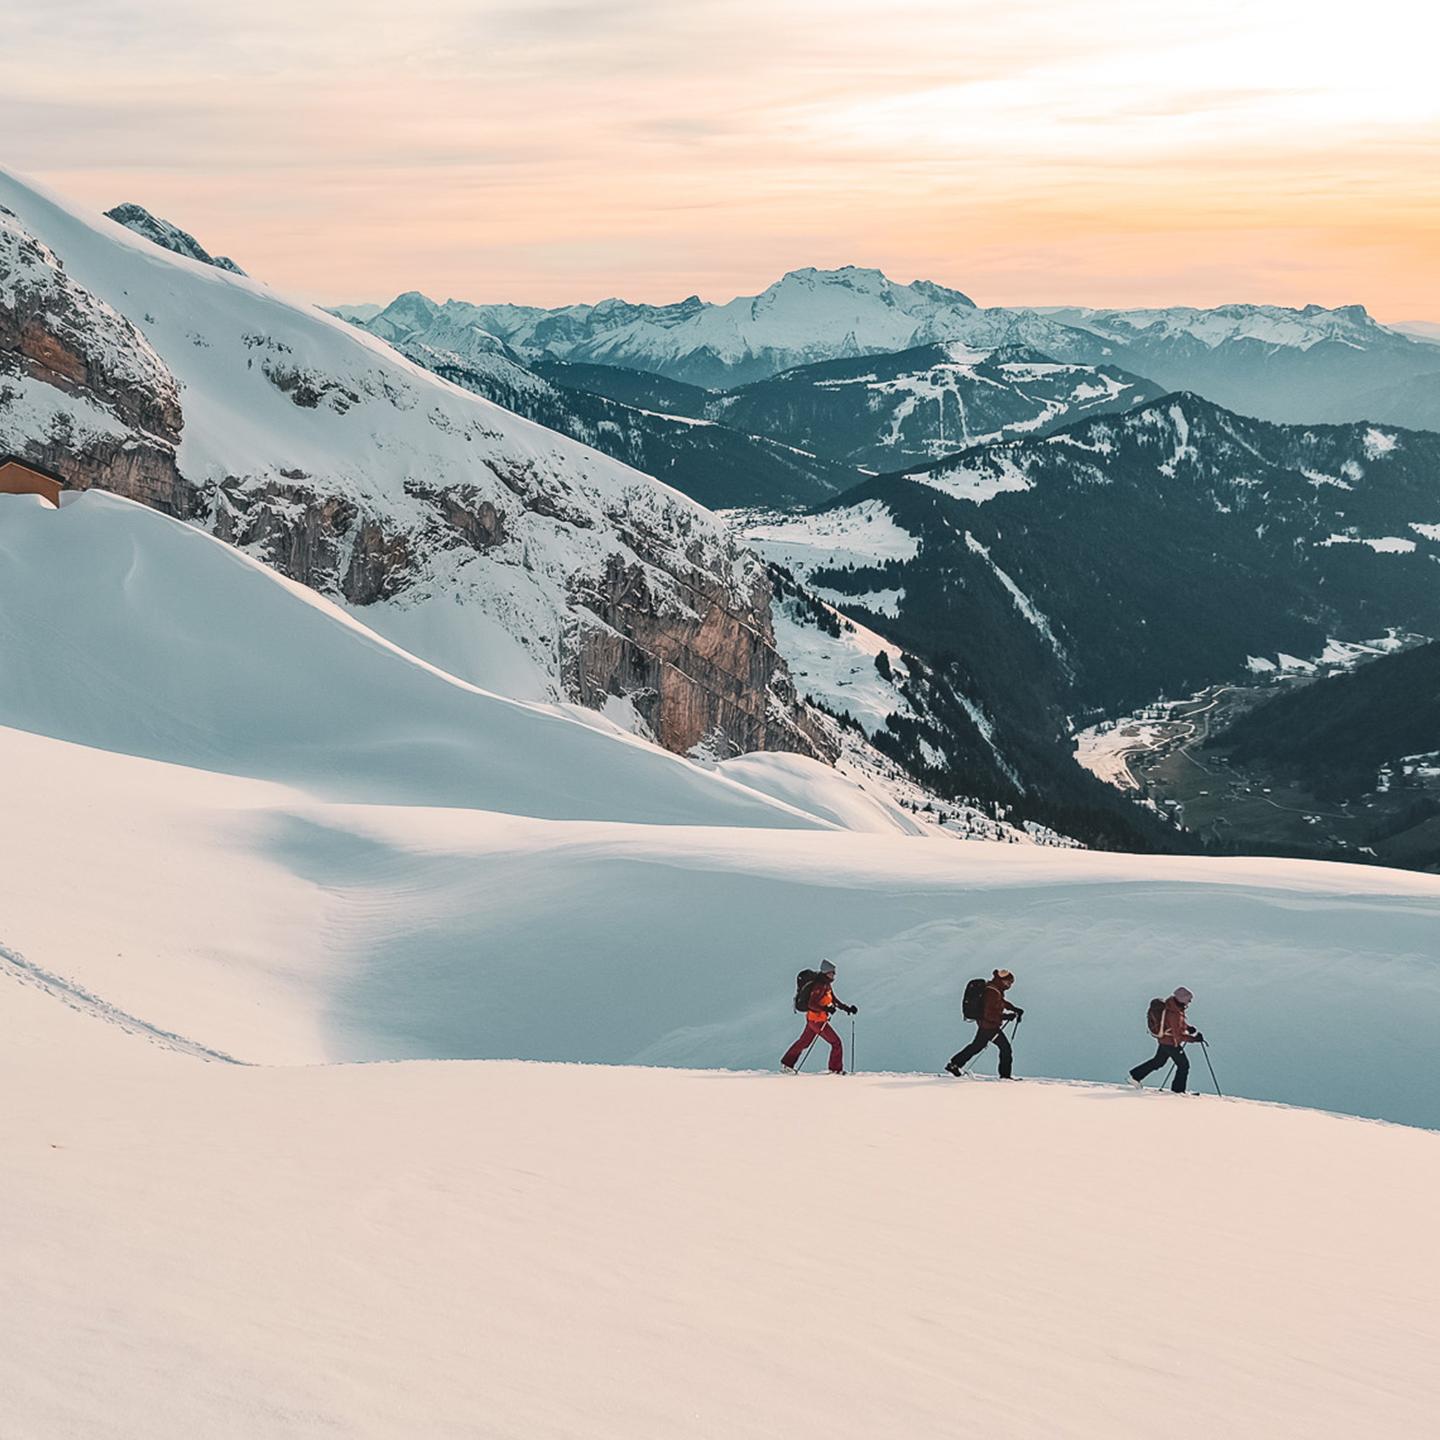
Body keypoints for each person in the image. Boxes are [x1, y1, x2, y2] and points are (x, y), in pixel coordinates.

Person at [780, 960, 857, 1074]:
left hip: (814, 1019)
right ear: (826, 973)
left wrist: (847, 1008)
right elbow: (812, 1004)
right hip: (817, 1020)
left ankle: (786, 1064)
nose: (834, 975)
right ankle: (835, 1070)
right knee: (836, 1043)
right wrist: (826, 1009)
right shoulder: (819, 986)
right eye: (832, 973)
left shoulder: (826, 984)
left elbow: (833, 1000)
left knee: (803, 1042)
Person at [945, 969, 1023, 1078]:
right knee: (1005, 1049)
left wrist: (1014, 1009)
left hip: (985, 1025)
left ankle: (954, 1064)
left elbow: (1001, 1003)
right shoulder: (993, 992)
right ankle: (1005, 1077)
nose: (1009, 985)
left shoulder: (994, 989)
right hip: (989, 1027)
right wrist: (1006, 1016)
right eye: (1008, 982)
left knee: (976, 1046)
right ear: (1002, 981)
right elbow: (990, 1014)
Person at [1129, 986, 1204, 1093]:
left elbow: (1174, 1025)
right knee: (1183, 1065)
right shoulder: (1174, 1013)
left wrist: (1187, 1027)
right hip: (1170, 1043)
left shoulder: (1172, 1006)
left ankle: (1135, 1076)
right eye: (1188, 999)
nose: (1189, 1002)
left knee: (1158, 1061)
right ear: (1182, 999)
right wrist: (1194, 1039)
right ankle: (1178, 1091)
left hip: (1165, 1040)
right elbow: (1178, 1035)